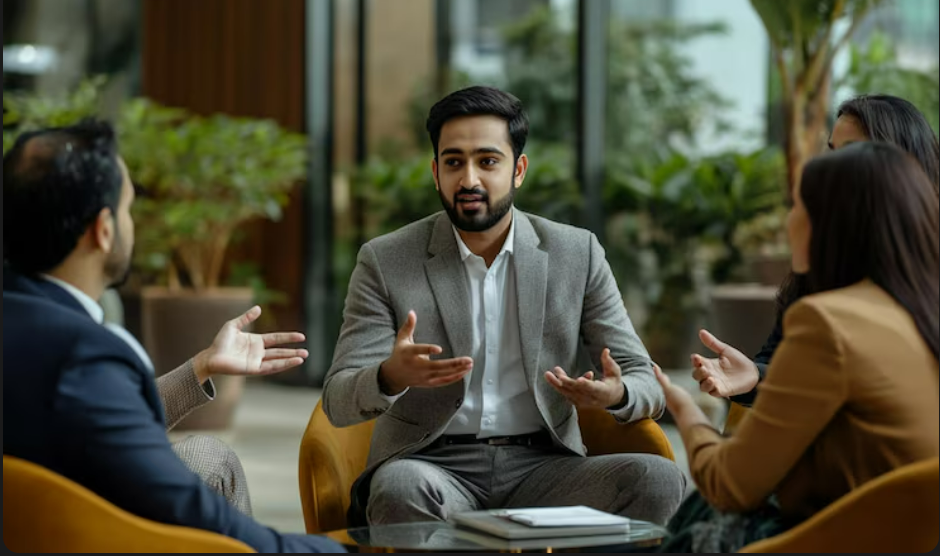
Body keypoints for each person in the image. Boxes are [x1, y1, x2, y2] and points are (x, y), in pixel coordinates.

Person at [322, 86, 686, 528]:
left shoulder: (577, 253)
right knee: (401, 487)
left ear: (518, 170)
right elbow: (338, 400)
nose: (469, 179)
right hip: (432, 468)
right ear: (436, 172)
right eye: (454, 162)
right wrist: (390, 375)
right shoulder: (386, 259)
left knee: (658, 479)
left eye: (488, 161)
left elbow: (642, 377)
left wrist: (617, 394)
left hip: (546, 469)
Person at [2, 120, 343, 553]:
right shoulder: (85, 354)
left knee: (208, 456)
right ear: (103, 230)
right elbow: (185, 506)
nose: (132, 224)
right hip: (86, 533)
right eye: (127, 209)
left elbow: (90, 419)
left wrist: (202, 366)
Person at [654, 141, 939, 552]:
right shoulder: (919, 313)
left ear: (834, 222)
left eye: (799, 206)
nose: (789, 224)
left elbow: (729, 485)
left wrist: (685, 411)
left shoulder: (827, 321)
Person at [692, 94, 940, 406]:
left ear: (898, 169)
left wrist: (687, 416)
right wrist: (755, 376)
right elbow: (793, 370)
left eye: (852, 155)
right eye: (832, 153)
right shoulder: (828, 258)